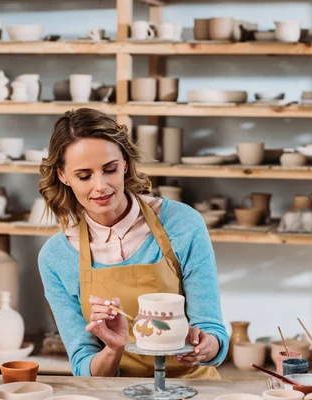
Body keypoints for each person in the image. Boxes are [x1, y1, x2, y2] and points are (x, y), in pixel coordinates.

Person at [37, 108, 228, 378]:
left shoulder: (182, 224)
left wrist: (207, 345)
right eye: (84, 175)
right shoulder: (57, 257)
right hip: (117, 392)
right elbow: (84, 366)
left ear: (125, 163)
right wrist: (113, 349)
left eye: (110, 169)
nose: (100, 185)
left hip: (193, 387)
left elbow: (212, 329)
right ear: (62, 176)